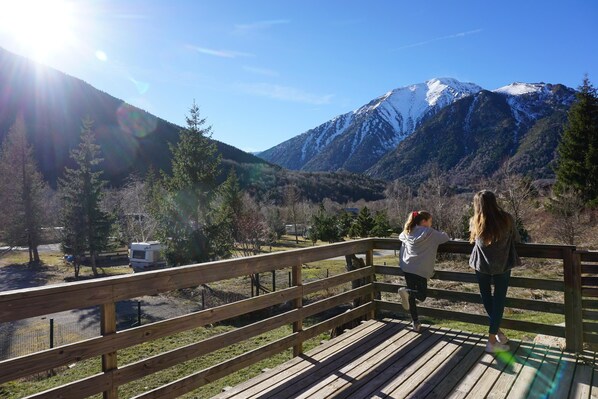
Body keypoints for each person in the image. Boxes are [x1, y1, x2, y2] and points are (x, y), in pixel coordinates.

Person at [469, 190, 521, 353]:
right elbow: (516, 239)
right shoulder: (506, 218)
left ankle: (497, 333)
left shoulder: (475, 221)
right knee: (498, 300)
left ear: (477, 204)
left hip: (481, 265)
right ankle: (492, 341)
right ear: (494, 201)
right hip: (502, 265)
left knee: (487, 298)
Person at [398, 210, 449, 332]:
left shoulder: (408, 231)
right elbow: (445, 238)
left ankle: (415, 322)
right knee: (421, 295)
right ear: (424, 221)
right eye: (430, 221)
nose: (431, 224)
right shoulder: (429, 232)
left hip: (407, 266)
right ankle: (407, 292)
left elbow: (400, 236)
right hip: (421, 269)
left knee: (411, 295)